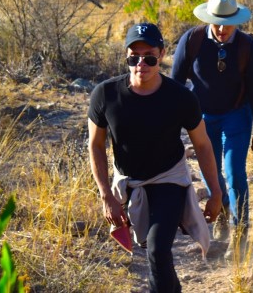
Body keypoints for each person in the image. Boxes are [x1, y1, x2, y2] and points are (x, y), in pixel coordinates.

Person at [88, 23, 223, 293]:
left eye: (149, 56)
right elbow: (96, 144)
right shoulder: (106, 94)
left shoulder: (181, 97)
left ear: (161, 55)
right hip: (129, 180)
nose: (142, 64)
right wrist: (106, 195)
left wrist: (216, 191)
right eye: (133, 57)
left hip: (169, 178)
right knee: (156, 256)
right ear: (126, 56)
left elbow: (203, 145)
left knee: (158, 249)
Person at [169, 0, 253, 262]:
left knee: (234, 172)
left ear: (237, 19)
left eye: (227, 22)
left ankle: (240, 234)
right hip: (200, 120)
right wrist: (170, 126)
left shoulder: (247, 45)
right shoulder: (193, 40)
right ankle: (222, 210)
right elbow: (176, 85)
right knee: (213, 176)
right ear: (208, 18)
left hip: (237, 115)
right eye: (216, 21)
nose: (222, 28)